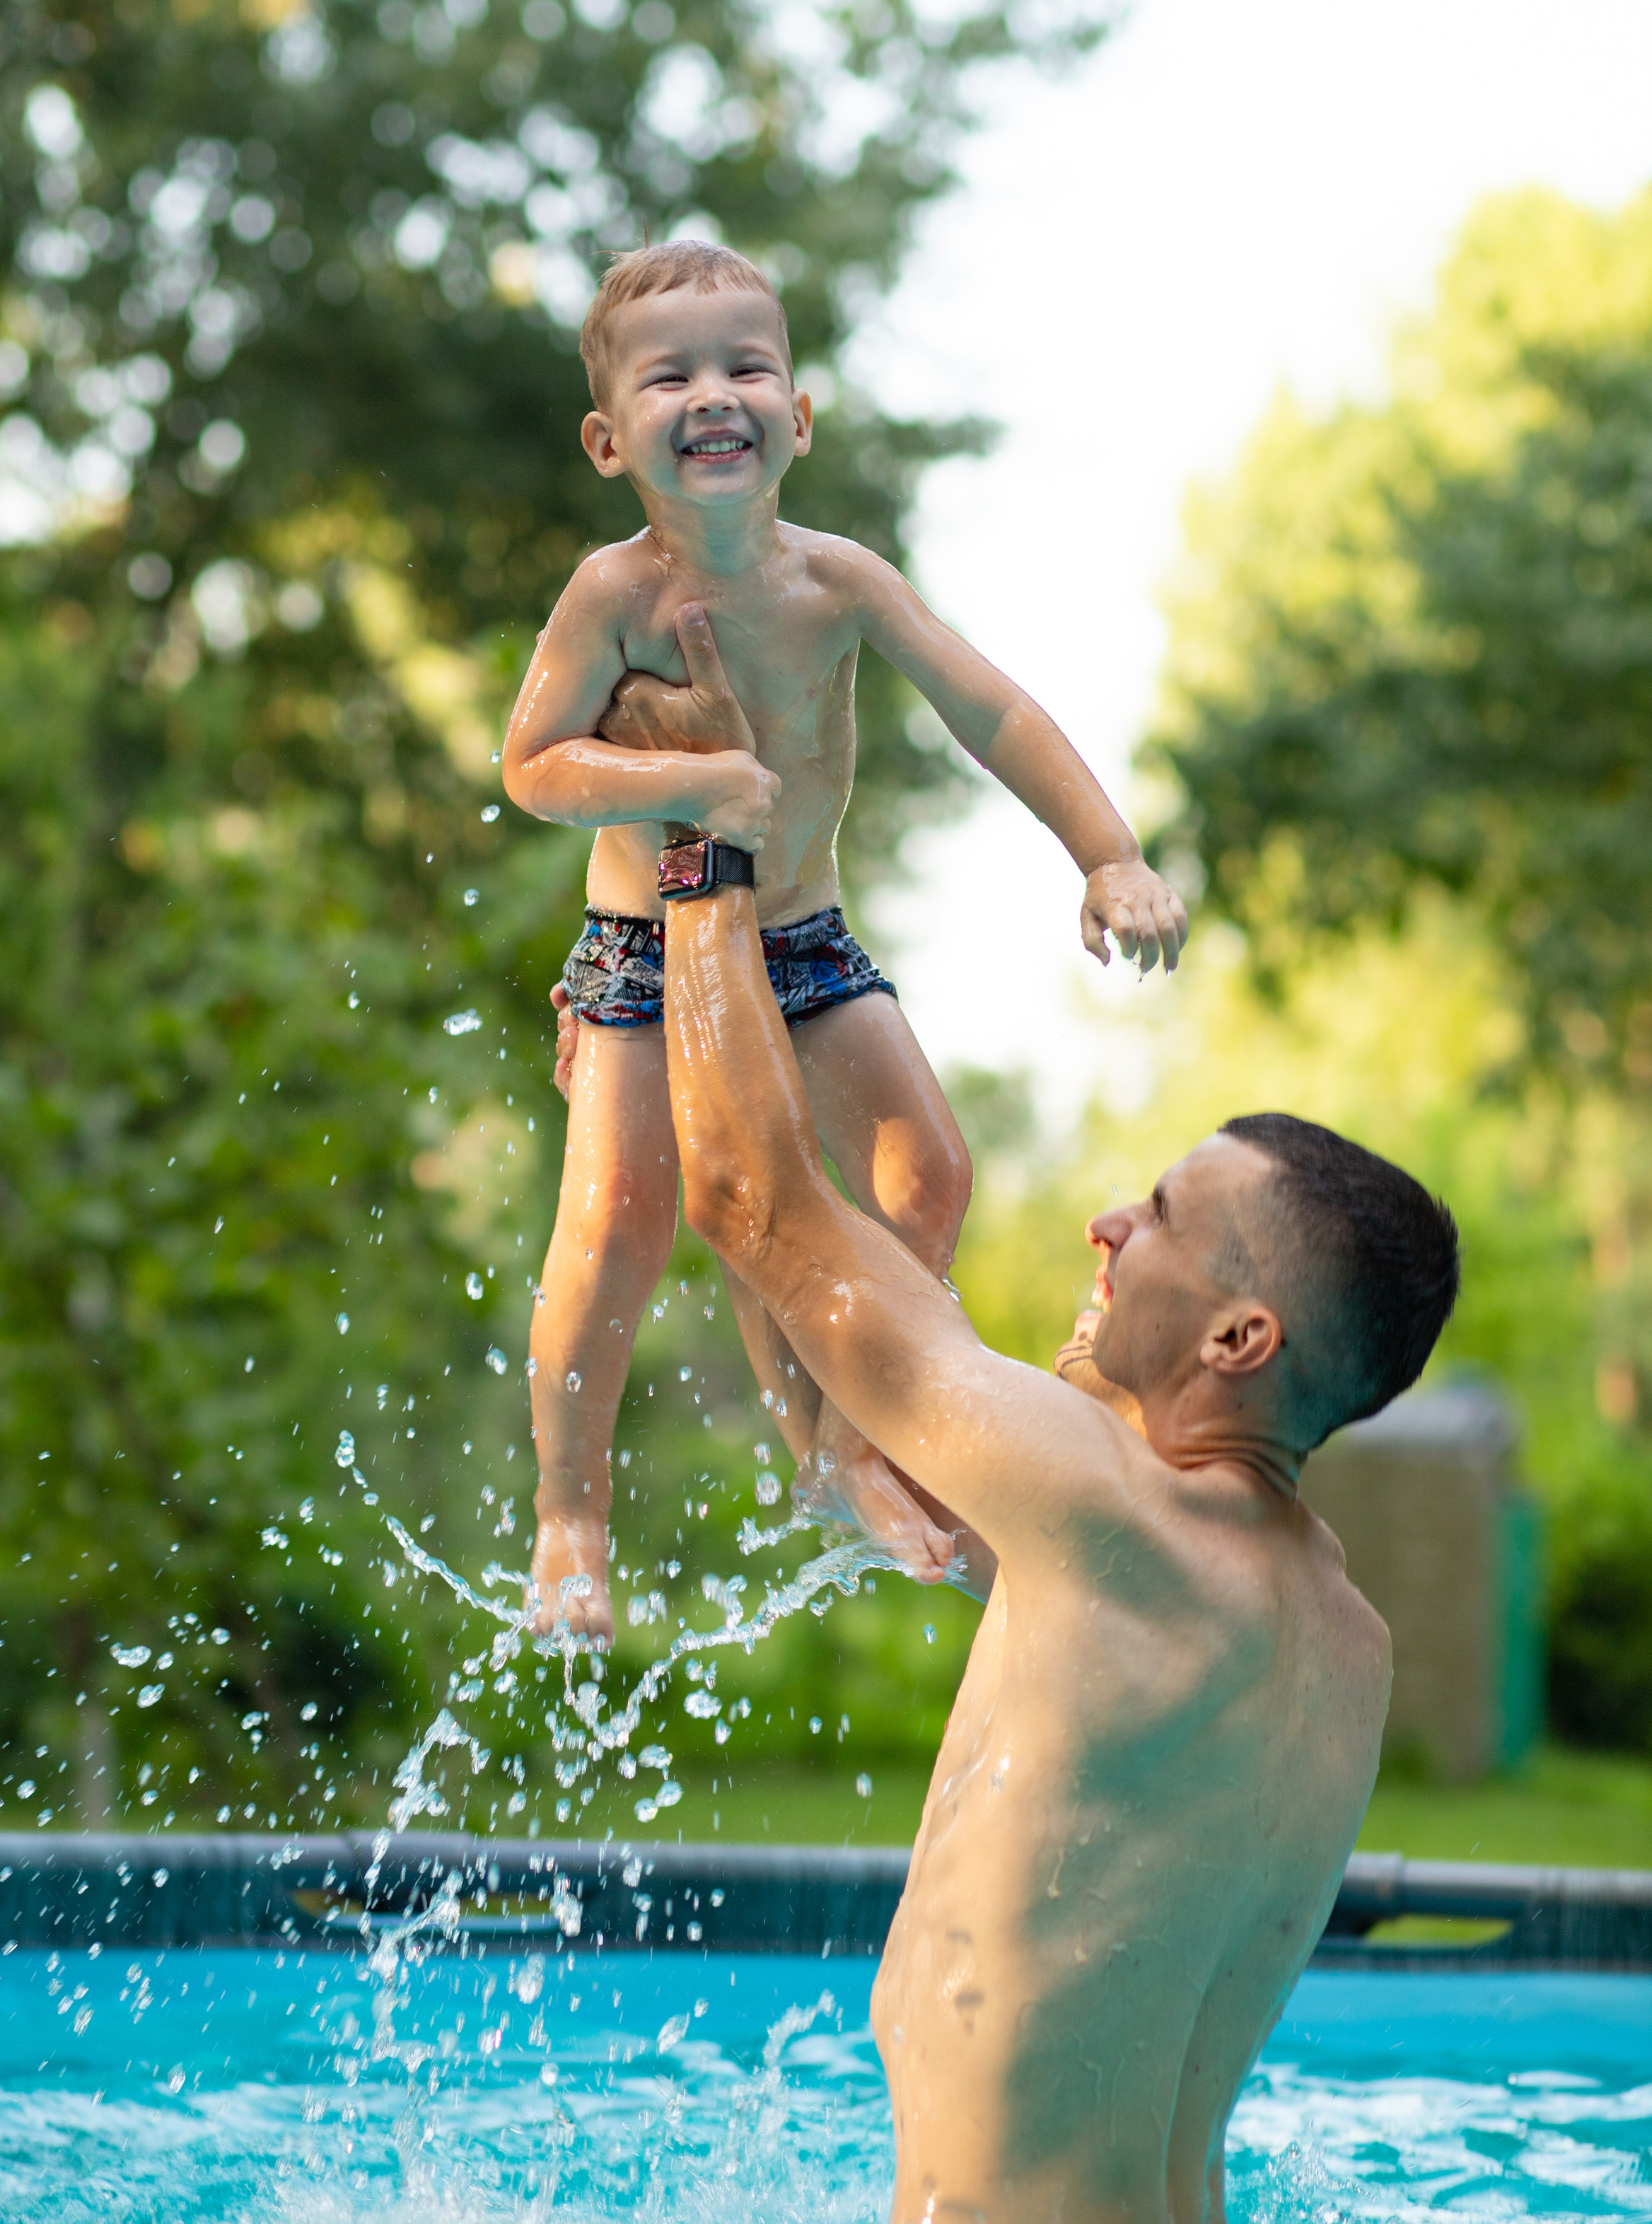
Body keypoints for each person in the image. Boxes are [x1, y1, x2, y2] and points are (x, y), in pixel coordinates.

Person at [621, 630, 1460, 2224]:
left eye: (1151, 1217)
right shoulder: (1334, 1641)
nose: (1098, 1224)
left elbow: (748, 1200)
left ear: (1235, 1336)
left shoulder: (1100, 1518)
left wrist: (697, 841)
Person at [502, 236, 1188, 1638]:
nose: (714, 394)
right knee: (615, 1232)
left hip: (803, 941)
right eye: (671, 375)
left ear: (796, 417)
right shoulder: (609, 597)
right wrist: (681, 782)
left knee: (920, 1175)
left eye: (746, 366)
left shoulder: (837, 584)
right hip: (648, 965)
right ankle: (569, 1517)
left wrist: (1105, 852)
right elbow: (532, 765)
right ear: (606, 437)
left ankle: (833, 1444)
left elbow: (987, 707)